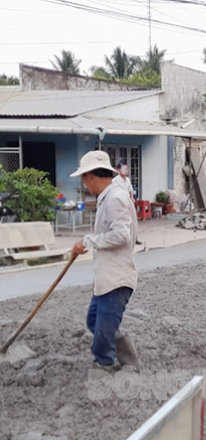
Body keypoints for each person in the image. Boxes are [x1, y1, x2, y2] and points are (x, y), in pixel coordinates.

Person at [70, 150, 139, 370]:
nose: (84, 184)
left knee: (103, 330)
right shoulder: (108, 197)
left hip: (117, 277)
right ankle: (129, 359)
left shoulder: (115, 198)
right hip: (106, 276)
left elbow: (121, 235)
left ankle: (105, 366)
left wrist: (88, 240)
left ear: (90, 176)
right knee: (94, 321)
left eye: (84, 178)